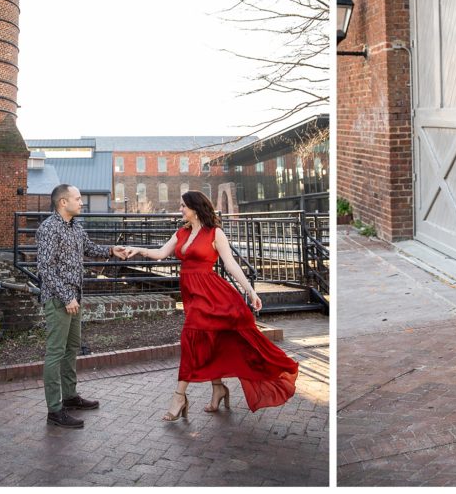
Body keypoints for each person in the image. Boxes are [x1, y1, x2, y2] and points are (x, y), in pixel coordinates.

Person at [124, 190, 298, 420]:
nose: (180, 209)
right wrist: (137, 249)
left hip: (211, 294)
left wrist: (250, 291)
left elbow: (231, 265)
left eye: (183, 206)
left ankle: (179, 396)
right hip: (192, 294)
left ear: (195, 209)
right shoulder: (182, 232)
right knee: (210, 339)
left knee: (191, 337)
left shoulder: (215, 233)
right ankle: (218, 389)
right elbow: (160, 254)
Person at [37, 183, 129, 429]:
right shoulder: (49, 229)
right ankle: (54, 411)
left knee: (71, 348)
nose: (82, 202)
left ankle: (70, 397)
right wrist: (67, 297)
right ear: (63, 202)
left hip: (75, 297)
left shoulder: (75, 226)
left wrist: (111, 250)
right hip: (59, 300)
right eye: (77, 198)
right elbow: (45, 268)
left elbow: (89, 248)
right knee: (55, 352)